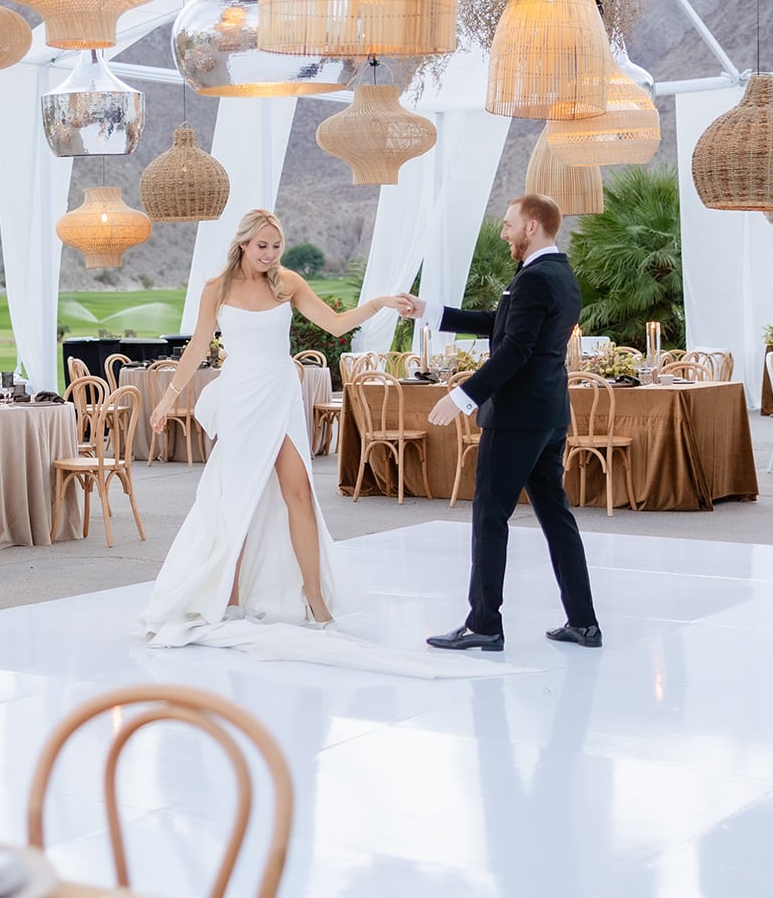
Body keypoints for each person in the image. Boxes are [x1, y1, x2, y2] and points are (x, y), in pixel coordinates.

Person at [135, 208, 412, 649]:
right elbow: (198, 347)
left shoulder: (288, 283)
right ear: (243, 244)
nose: (269, 254)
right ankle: (226, 598)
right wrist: (168, 399)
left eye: (276, 246)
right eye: (262, 246)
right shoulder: (217, 288)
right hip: (242, 396)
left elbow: (335, 324)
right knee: (238, 499)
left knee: (299, 493)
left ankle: (316, 601)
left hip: (280, 393)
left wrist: (377, 304)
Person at [398, 193, 601, 653]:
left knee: (489, 517)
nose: (504, 231)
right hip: (548, 415)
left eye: (510, 224)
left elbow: (514, 350)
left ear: (532, 226)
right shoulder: (559, 274)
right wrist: (430, 311)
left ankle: (484, 624)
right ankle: (584, 623)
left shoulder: (535, 278)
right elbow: (502, 324)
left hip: (516, 418)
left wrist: (462, 396)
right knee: (556, 517)